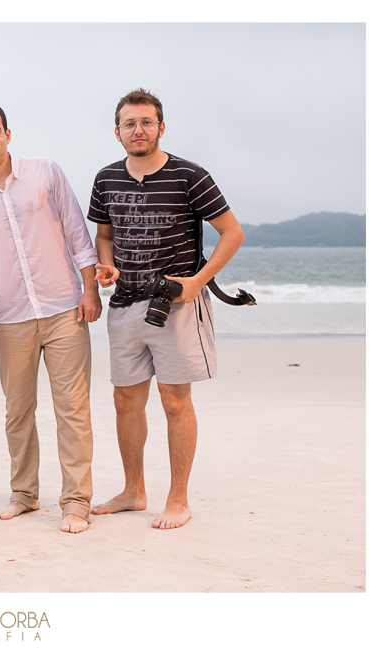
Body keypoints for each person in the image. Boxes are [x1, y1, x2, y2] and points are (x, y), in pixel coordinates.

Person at [87, 88, 245, 529]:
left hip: (174, 307)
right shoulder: (105, 179)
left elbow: (232, 233)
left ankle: (178, 499)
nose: (138, 130)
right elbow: (104, 234)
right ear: (116, 131)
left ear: (160, 126)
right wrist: (107, 265)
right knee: (125, 402)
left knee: (175, 401)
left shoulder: (189, 176)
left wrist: (196, 281)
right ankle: (134, 491)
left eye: (146, 122)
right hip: (124, 305)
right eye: (129, 124)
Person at [0, 103, 101, 534]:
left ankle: (76, 502)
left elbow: (77, 231)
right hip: (12, 316)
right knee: (18, 411)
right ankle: (24, 494)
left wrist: (90, 290)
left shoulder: (45, 172)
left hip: (63, 309)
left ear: (8, 134)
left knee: (72, 409)